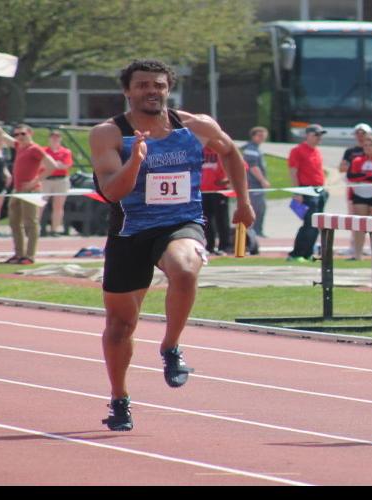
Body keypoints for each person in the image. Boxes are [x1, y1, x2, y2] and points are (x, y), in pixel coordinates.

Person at [89, 59, 254, 431]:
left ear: (168, 88)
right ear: (128, 91)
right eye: (143, 85)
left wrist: (243, 202)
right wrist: (136, 162)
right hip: (130, 231)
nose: (152, 91)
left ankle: (170, 347)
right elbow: (112, 190)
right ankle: (119, 398)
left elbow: (230, 151)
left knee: (184, 268)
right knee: (120, 326)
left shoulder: (195, 125)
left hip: (181, 222)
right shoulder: (108, 134)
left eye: (159, 85)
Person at [0, 115, 59, 265]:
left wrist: (34, 182)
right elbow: (1, 134)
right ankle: (19, 254)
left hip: (30, 192)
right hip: (17, 191)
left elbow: (52, 165)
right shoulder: (19, 146)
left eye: (22, 134)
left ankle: (30, 256)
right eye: (16, 134)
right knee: (14, 223)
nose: (19, 136)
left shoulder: (35, 149)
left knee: (30, 223)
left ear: (30, 134)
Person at [287, 124, 328, 262]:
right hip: (307, 190)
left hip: (319, 190)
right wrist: (297, 192)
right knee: (309, 223)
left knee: (317, 224)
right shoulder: (298, 150)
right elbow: (293, 172)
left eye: (320, 135)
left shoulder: (316, 151)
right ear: (307, 135)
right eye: (316, 134)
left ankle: (308, 253)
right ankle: (297, 253)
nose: (319, 138)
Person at [199, 145, 231, 255]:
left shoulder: (221, 150)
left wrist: (227, 180)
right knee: (206, 220)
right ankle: (210, 246)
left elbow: (242, 166)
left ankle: (225, 246)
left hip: (219, 191)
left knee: (221, 219)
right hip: (203, 191)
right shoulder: (199, 150)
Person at [43, 130, 74, 236]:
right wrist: (56, 165)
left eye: (57, 137)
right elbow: (41, 165)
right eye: (53, 137)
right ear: (49, 139)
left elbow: (66, 165)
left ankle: (54, 229)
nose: (55, 139)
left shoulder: (66, 152)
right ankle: (34, 228)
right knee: (40, 204)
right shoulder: (44, 151)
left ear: (60, 139)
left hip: (61, 180)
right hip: (46, 179)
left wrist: (52, 165)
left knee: (58, 206)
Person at [242, 126, 270, 238]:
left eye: (263, 135)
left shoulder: (256, 148)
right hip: (253, 184)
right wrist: (263, 180)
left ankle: (256, 232)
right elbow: (253, 166)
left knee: (260, 208)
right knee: (257, 208)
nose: (262, 138)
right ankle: (253, 232)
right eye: (259, 135)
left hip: (256, 185)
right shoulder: (251, 149)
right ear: (253, 136)